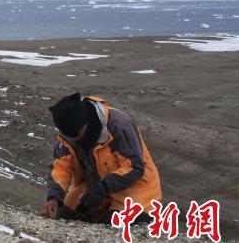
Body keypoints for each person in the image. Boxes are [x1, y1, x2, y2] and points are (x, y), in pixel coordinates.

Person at [41, 92, 162, 223]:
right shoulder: (68, 136)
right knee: (63, 214)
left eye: (76, 134)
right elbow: (60, 168)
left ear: (86, 120)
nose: (73, 139)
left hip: (136, 187)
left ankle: (148, 213)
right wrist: (54, 198)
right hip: (95, 187)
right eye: (68, 136)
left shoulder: (118, 124)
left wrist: (101, 188)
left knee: (114, 221)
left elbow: (135, 167)